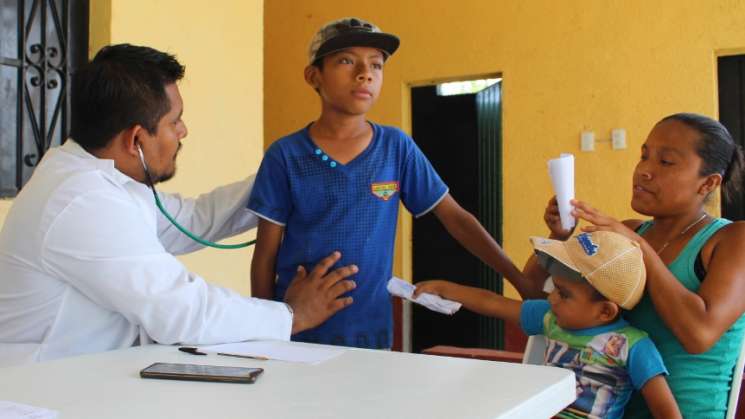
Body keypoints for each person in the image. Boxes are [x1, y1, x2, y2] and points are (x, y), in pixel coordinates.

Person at [0, 44, 357, 367]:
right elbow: (182, 311)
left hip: (88, 382)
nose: (183, 131)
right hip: (46, 394)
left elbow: (195, 219)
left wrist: (287, 173)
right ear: (136, 140)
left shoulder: (106, 181)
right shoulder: (81, 200)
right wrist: (292, 315)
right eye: (175, 121)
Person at [247, 17, 525, 349]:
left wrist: (519, 280)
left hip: (371, 336)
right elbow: (265, 255)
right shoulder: (286, 155)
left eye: (376, 65)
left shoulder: (396, 148)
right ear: (314, 76)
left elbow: (458, 220)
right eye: (346, 61)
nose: (364, 73)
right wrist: (266, 334)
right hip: (298, 335)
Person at [539, 113, 745, 418]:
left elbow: (699, 335)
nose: (644, 171)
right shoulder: (629, 232)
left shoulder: (731, 239)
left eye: (666, 162)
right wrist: (559, 236)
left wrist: (641, 249)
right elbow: (535, 293)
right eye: (644, 156)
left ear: (708, 183)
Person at [415, 231, 681, 419]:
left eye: (564, 294)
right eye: (554, 287)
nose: (552, 298)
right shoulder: (550, 317)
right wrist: (446, 288)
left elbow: (666, 411)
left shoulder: (633, 346)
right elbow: (493, 303)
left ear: (605, 311)